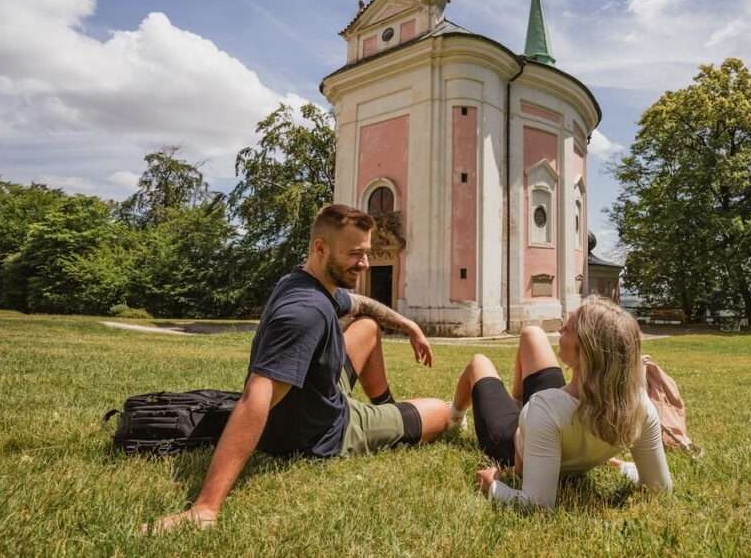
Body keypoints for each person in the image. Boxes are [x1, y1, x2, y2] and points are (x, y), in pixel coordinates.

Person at [145, 204, 450, 533]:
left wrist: (409, 326)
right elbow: (255, 400)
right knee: (441, 412)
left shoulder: (304, 281)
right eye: (355, 254)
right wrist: (206, 506)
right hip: (324, 431)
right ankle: (379, 424)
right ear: (321, 248)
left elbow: (361, 304)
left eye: (366, 252)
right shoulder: (305, 312)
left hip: (320, 392)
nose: (364, 263)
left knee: (368, 328)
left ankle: (386, 411)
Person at [448, 296, 672, 508]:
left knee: (479, 363)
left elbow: (536, 504)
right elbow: (659, 487)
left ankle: (454, 419)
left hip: (512, 442)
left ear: (586, 353)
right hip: (552, 422)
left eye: (568, 329)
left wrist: (492, 486)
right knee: (532, 334)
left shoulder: (545, 409)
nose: (560, 329)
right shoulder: (638, 406)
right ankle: (516, 402)